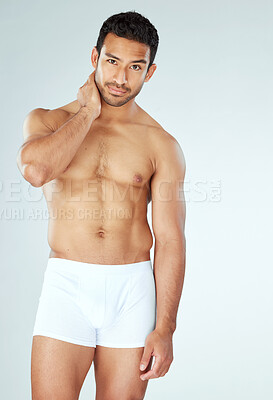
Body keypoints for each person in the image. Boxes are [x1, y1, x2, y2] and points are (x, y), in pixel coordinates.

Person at [17, 11, 186, 400]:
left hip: (132, 291)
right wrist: (88, 111)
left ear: (150, 71)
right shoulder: (49, 121)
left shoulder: (161, 144)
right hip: (67, 286)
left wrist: (165, 329)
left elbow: (171, 240)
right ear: (95, 58)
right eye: (112, 62)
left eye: (135, 67)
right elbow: (36, 170)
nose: (120, 78)